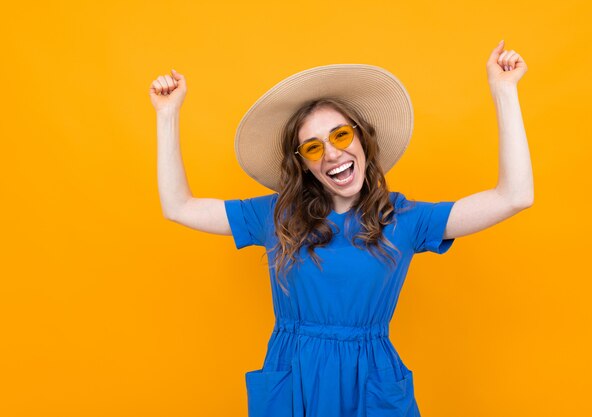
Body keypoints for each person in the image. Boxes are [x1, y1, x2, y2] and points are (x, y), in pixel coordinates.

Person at [149, 40, 533, 417]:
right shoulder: (277, 215)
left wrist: (504, 92)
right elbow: (179, 207)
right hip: (293, 378)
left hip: (371, 382)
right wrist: (167, 116)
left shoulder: (404, 218)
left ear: (362, 137)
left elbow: (515, 195)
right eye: (313, 147)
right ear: (304, 164)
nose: (331, 153)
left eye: (340, 135)